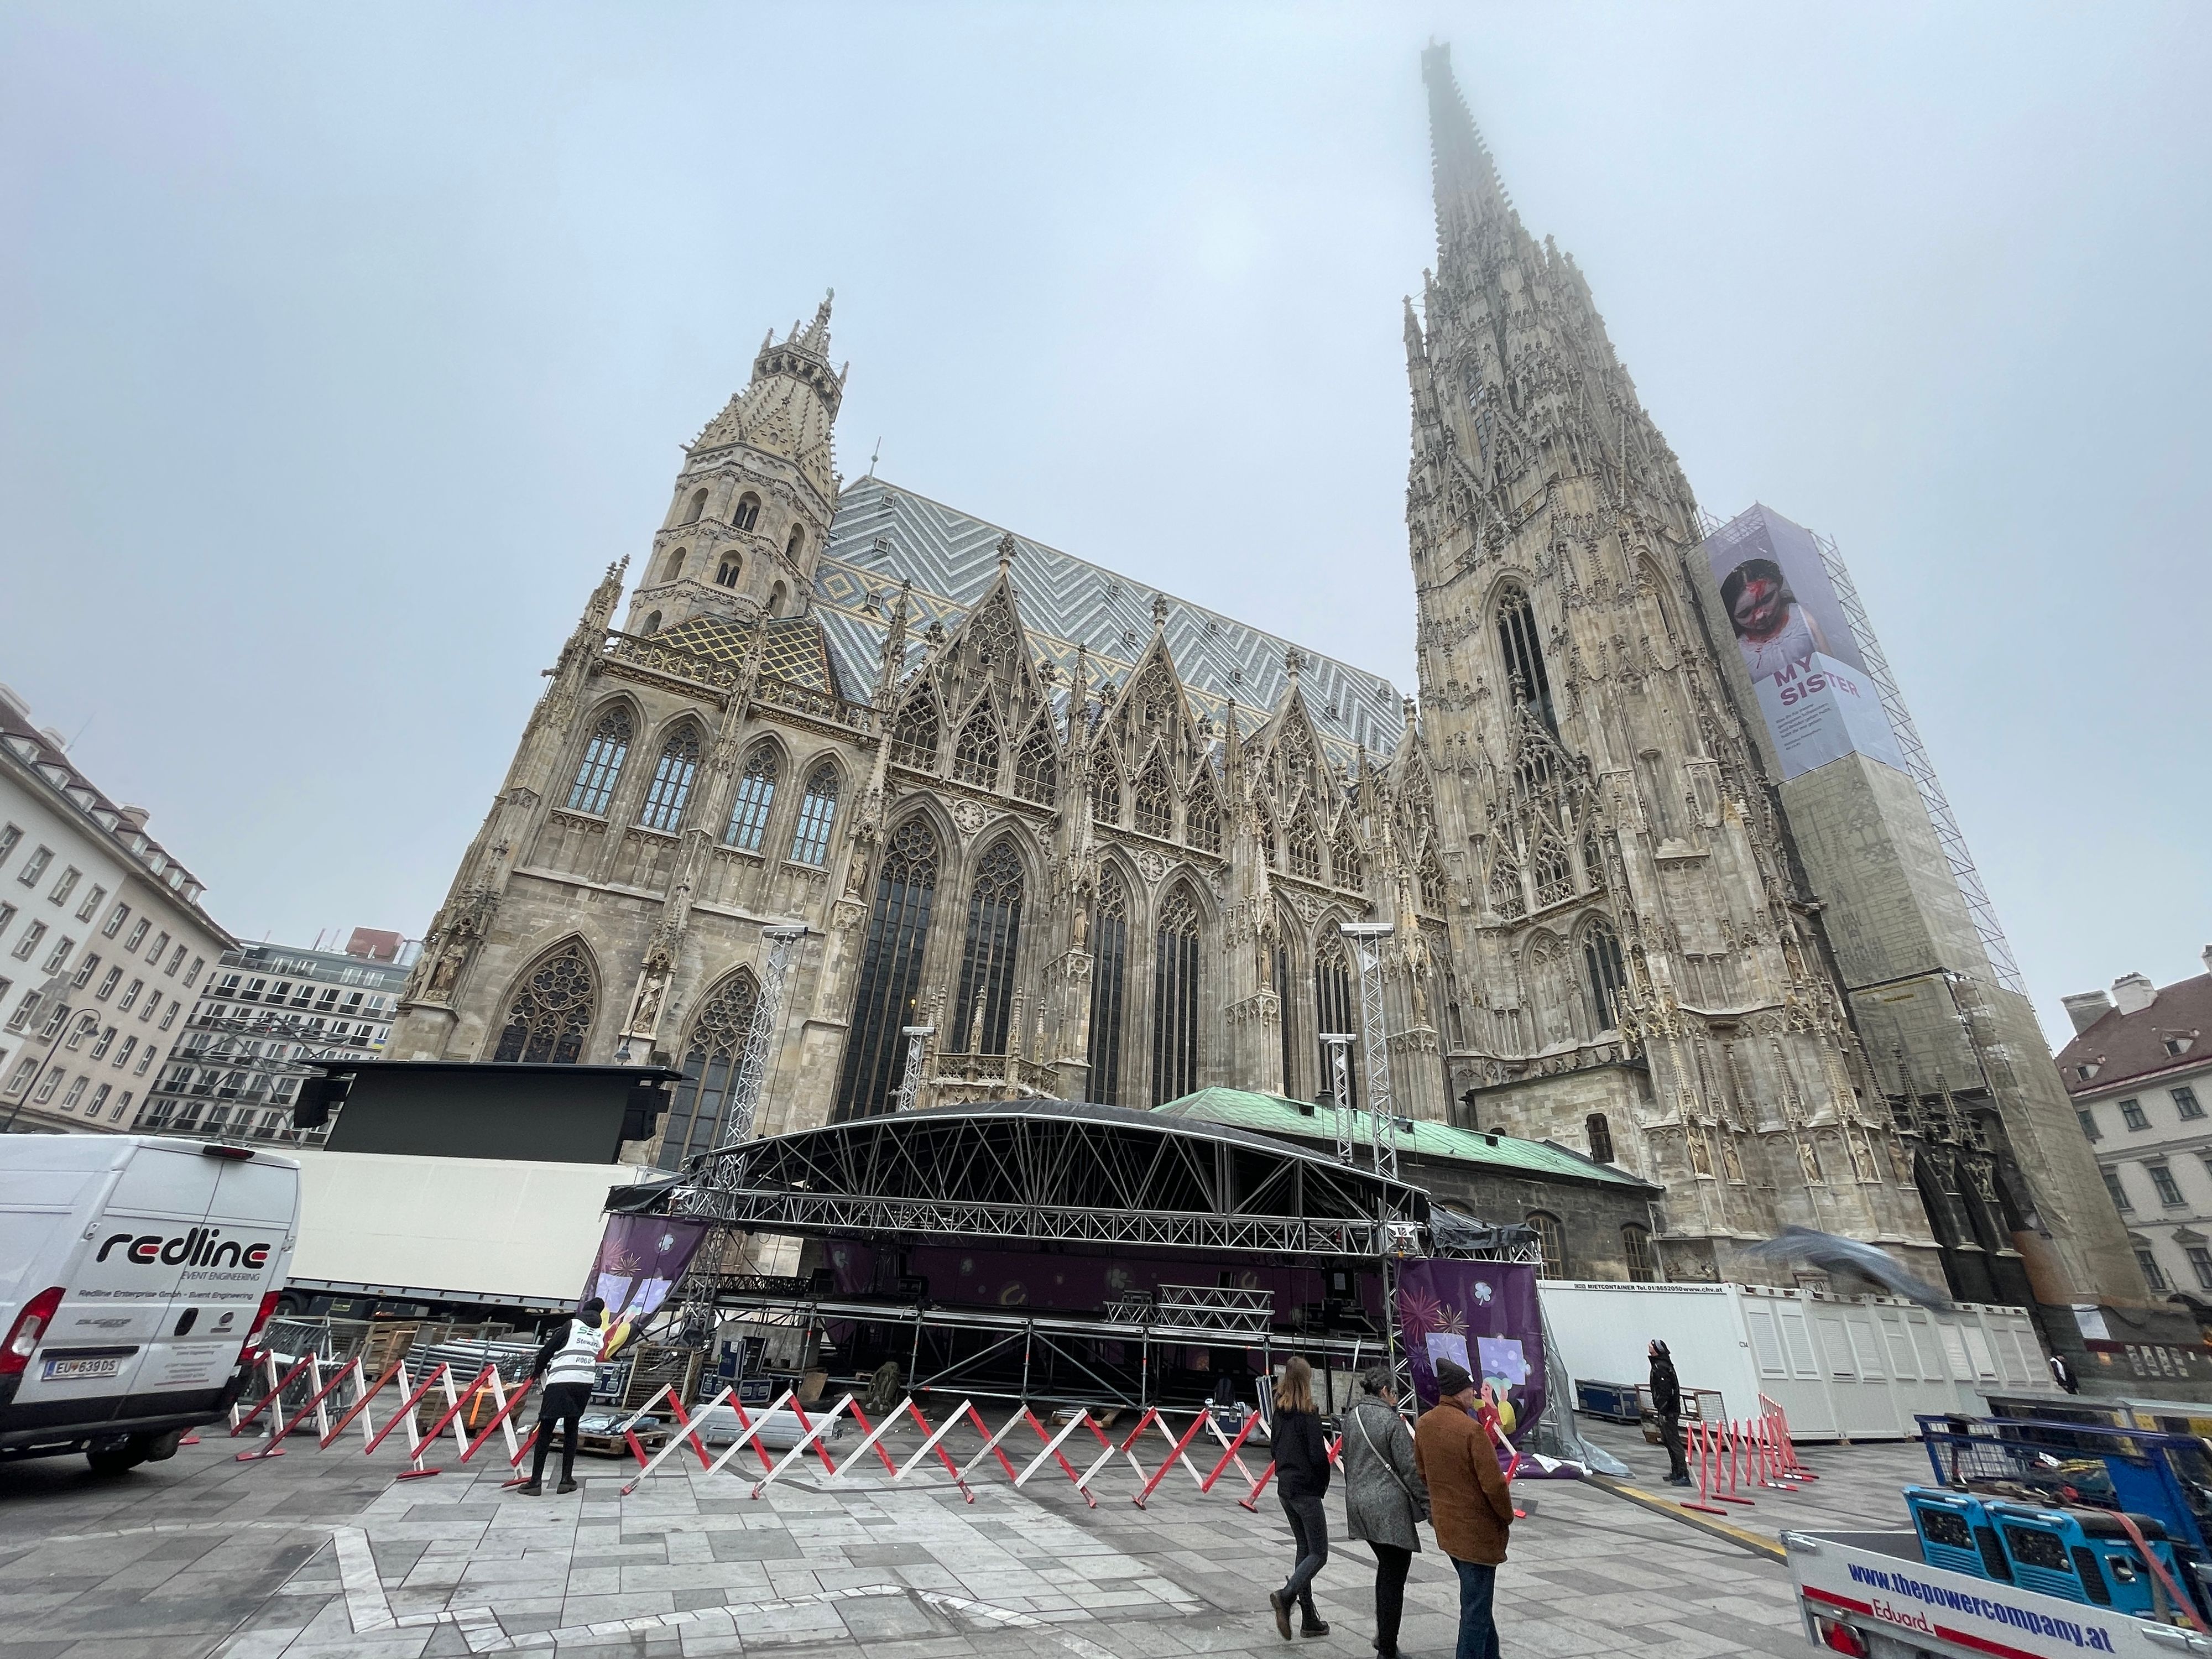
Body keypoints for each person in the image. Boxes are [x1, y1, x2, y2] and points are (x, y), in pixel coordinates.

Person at [1415, 1359, 1514, 1659]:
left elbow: (1421, 1472)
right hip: (1476, 1534)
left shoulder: (1425, 1424)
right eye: (1471, 1390)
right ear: (1459, 1393)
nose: (1475, 1395)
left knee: (1478, 1603)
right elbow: (1494, 1485)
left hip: (1448, 1530)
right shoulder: (1472, 1431)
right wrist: (1506, 1515)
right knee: (1475, 1610)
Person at [1340, 1365, 1430, 1659]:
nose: (1397, 1399)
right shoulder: (1392, 1423)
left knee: (1387, 1569)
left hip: (1358, 1502)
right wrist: (1429, 1507)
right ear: (1385, 1392)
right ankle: (1387, 1649)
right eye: (1396, 1393)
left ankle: (1384, 1637)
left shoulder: (1351, 1418)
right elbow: (1411, 1470)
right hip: (1387, 1509)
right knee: (1394, 1575)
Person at [520, 1296, 616, 1496]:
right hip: (583, 1384)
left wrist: (537, 1372)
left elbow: (548, 1350)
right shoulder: (599, 1333)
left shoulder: (572, 1325)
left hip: (561, 1382)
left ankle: (536, 1482)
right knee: (572, 1430)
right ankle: (566, 1480)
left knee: (546, 1428)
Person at [1266, 1356, 1332, 1641]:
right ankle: (1286, 1595)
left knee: (1304, 1548)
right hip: (1306, 1489)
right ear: (1306, 1382)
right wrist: (1322, 1485)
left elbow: (1273, 1449)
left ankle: (1309, 1619)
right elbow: (1319, 1457)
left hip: (1286, 1488)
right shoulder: (1309, 1415)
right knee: (1319, 1553)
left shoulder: (1279, 1413)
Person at [1720, 556, 1828, 682]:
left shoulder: (1800, 618)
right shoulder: (1739, 651)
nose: (1760, 615)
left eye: (1767, 600)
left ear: (1779, 587)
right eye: (1745, 613)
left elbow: (1829, 662)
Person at [1649, 1338, 1691, 1486]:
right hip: (1666, 1409)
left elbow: (1666, 1390)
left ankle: (1683, 1474)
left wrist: (1664, 1409)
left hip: (1669, 1411)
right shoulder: (1660, 1364)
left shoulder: (1661, 1366)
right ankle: (1676, 1471)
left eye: (1652, 1345)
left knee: (1674, 1442)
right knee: (1668, 1441)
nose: (1649, 1346)